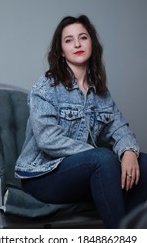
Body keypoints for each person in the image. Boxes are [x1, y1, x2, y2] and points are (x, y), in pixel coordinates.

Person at [15, 15, 147, 228]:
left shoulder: (100, 93)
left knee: (144, 163)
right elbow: (48, 139)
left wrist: (129, 151)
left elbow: (120, 129)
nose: (77, 44)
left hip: (82, 173)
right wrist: (99, 155)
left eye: (83, 37)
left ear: (92, 43)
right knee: (103, 158)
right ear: (61, 51)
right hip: (42, 176)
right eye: (68, 40)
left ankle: (127, 233)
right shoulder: (46, 88)